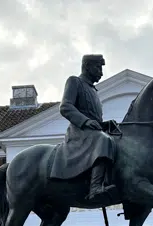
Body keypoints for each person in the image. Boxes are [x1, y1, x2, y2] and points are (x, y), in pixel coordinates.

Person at [50, 54, 117, 203]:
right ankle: (95, 188)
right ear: (87, 67)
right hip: (79, 133)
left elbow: (95, 119)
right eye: (98, 68)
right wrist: (85, 121)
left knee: (112, 139)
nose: (101, 72)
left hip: (92, 132)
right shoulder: (75, 81)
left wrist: (104, 124)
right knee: (104, 139)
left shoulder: (94, 91)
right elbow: (66, 107)